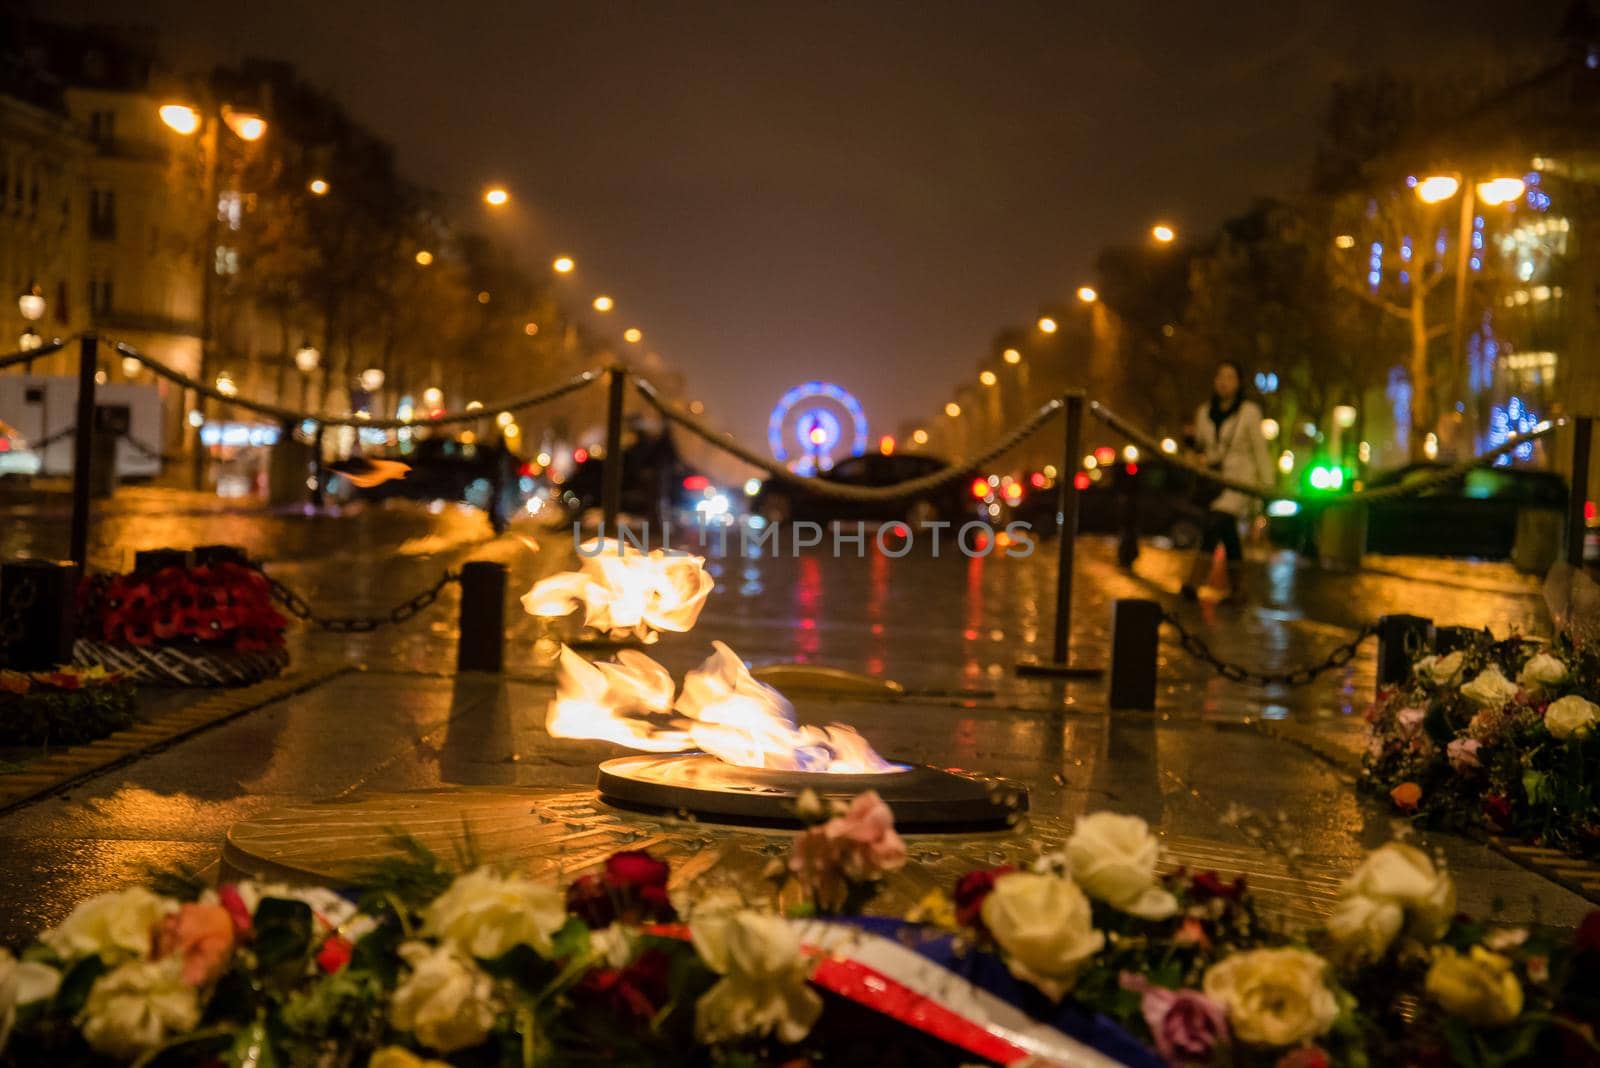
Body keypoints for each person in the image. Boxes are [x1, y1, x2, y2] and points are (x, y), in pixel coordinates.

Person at [1182, 361, 1273, 601]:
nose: (1224, 382)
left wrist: (1267, 484)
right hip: (1215, 481)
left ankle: (1193, 582)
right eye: (1220, 376)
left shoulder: (1250, 412)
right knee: (1228, 532)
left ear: (1239, 382)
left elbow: (1260, 449)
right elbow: (1202, 447)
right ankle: (1238, 589)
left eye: (1230, 377)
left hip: (1239, 482)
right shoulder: (1204, 412)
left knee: (1215, 523)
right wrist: (1191, 446)